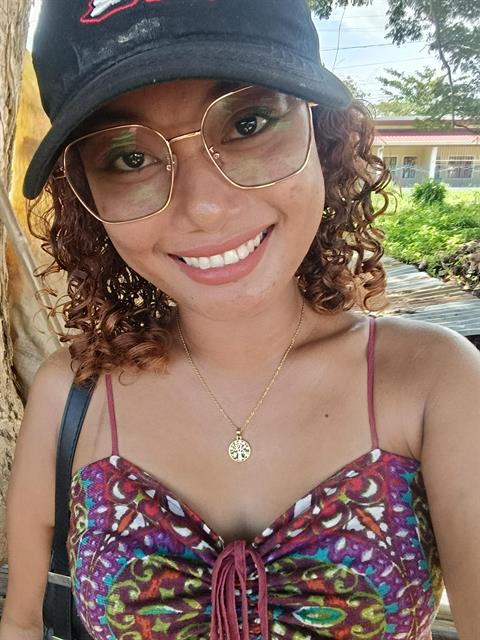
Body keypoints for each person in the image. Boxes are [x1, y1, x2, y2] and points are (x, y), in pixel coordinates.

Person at [1, 1, 479, 639]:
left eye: (248, 123)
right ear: (88, 198)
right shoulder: (73, 396)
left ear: (322, 132)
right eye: (129, 158)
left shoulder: (434, 384)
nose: (202, 207)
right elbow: (22, 623)